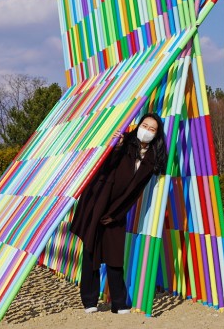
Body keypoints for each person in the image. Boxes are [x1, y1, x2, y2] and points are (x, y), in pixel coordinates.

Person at [69, 112, 168, 314]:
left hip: (117, 210)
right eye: (145, 125)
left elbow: (135, 192)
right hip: (97, 202)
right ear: (138, 125)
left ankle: (119, 303)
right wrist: (118, 146)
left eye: (152, 129)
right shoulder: (125, 143)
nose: (147, 130)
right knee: (91, 249)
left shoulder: (151, 159)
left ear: (157, 135)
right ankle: (89, 300)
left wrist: (115, 214)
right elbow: (105, 168)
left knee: (114, 255)